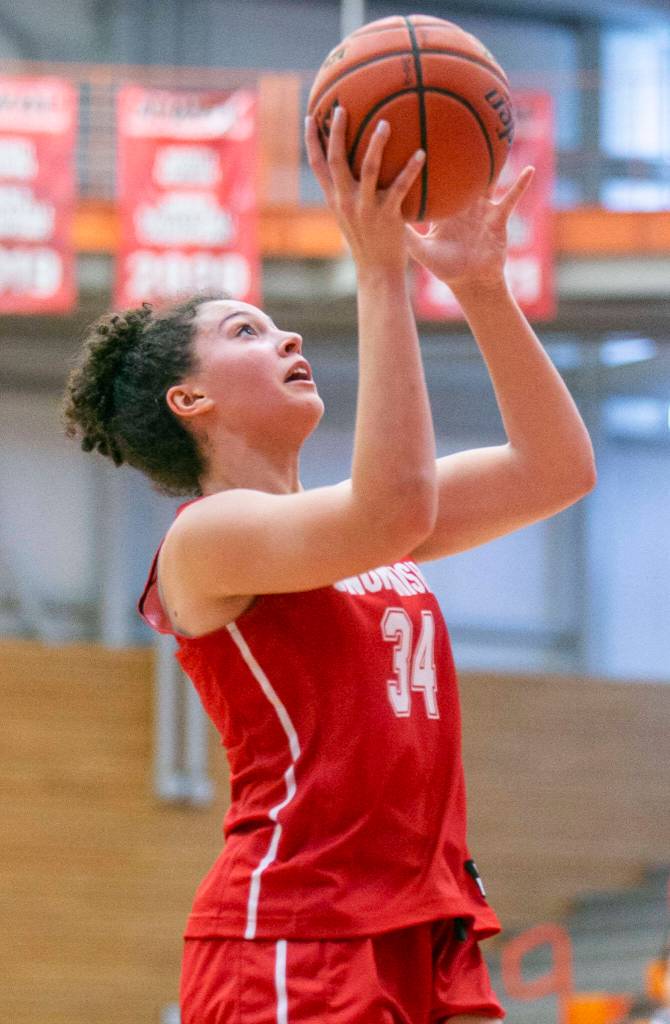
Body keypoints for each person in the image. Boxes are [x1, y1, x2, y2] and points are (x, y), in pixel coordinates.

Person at [62, 107, 596, 1024]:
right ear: (187, 399)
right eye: (248, 334)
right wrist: (380, 267)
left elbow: (558, 470)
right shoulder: (208, 538)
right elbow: (391, 508)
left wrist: (482, 288)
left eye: (277, 329)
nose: (288, 341)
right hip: (295, 933)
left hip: (425, 924)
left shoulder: (363, 529)